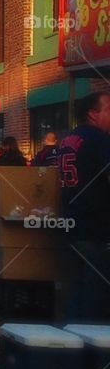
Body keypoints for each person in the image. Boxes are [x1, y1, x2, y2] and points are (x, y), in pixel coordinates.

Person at [59, 91, 110, 321]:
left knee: (77, 292)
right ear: (93, 114)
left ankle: (72, 348)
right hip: (95, 226)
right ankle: (91, 354)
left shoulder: (69, 139)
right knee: (94, 298)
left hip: (72, 223)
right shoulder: (99, 140)